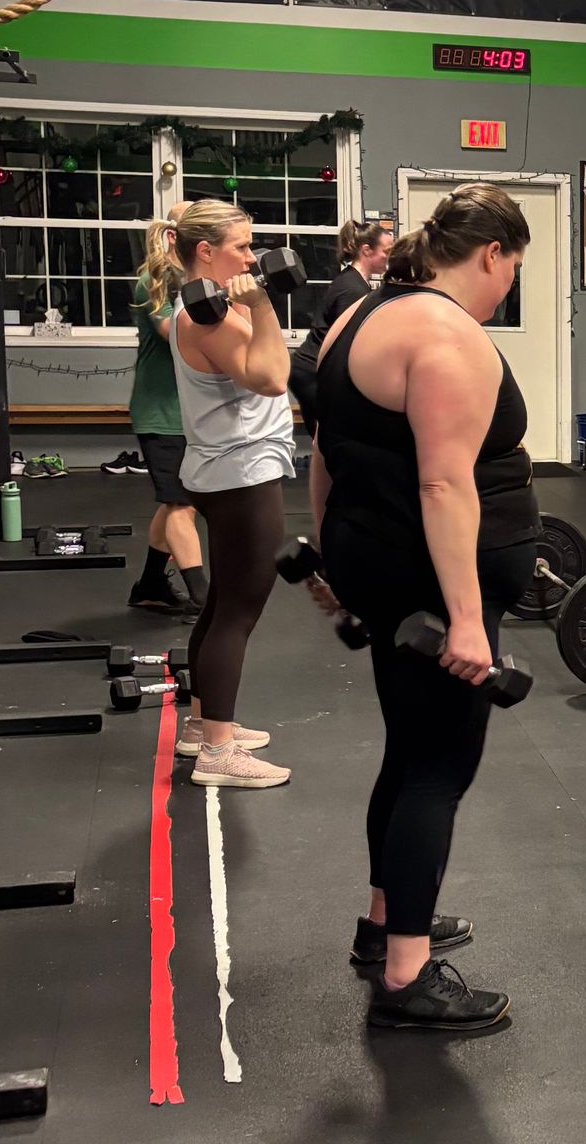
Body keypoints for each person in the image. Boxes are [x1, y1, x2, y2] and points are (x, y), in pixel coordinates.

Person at [308, 184, 538, 1033]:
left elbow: (325, 451)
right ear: (492, 254)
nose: (508, 285)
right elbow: (444, 484)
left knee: (407, 750)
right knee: (439, 767)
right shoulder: (447, 336)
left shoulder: (357, 317)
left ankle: (386, 923)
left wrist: (329, 553)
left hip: (376, 563)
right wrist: (468, 621)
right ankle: (407, 977)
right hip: (428, 585)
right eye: (513, 268)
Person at [168, 200, 296, 790]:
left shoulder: (211, 306)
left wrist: (250, 304)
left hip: (230, 468)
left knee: (222, 603)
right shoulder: (205, 317)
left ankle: (202, 725)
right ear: (205, 252)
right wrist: (264, 305)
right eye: (241, 246)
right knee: (239, 612)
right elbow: (271, 376)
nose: (251, 256)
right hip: (241, 473)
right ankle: (218, 751)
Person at [125, 220, 209, 620]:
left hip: (189, 412)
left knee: (181, 502)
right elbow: (175, 335)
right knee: (180, 505)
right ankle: (203, 598)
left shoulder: (195, 281)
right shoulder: (154, 281)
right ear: (175, 236)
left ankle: (150, 585)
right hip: (161, 413)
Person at [289, 215, 393, 436]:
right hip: (311, 372)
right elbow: (347, 343)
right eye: (386, 251)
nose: (389, 257)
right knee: (329, 437)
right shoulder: (352, 289)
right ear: (367, 250)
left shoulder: (354, 281)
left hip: (311, 370)